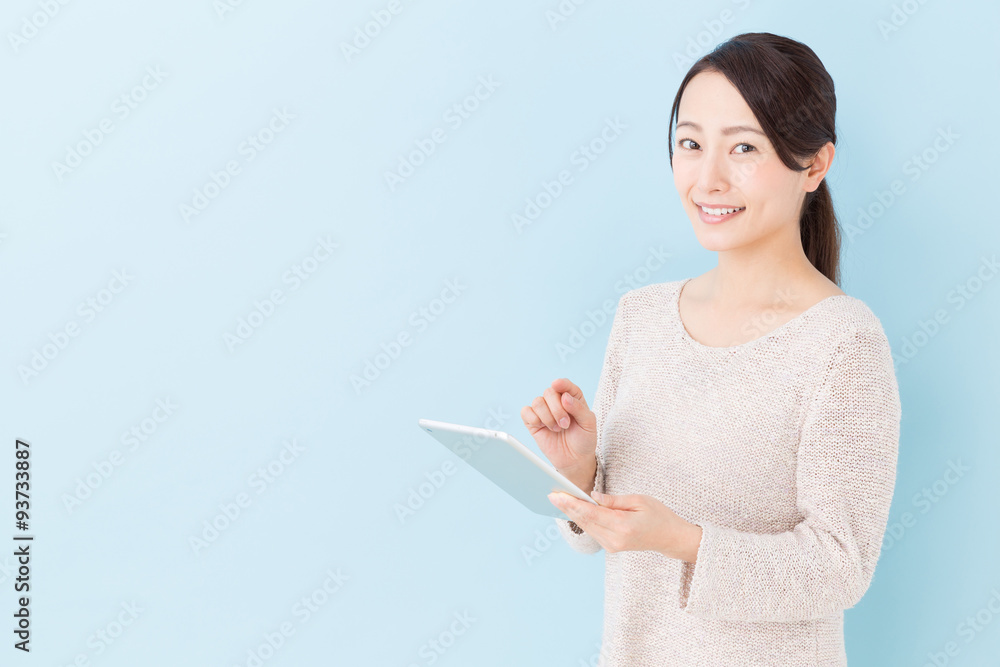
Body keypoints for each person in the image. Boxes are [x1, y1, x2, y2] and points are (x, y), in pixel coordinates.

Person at [521, 32, 902, 666]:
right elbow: (603, 534)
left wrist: (686, 540)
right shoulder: (640, 317)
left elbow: (842, 566)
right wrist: (579, 470)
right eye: (691, 144)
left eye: (744, 148)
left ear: (814, 165)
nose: (708, 178)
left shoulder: (842, 344)